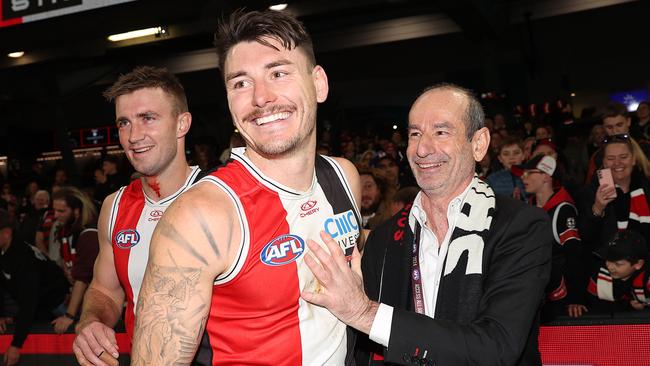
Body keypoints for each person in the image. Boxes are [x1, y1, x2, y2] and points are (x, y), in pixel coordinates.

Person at [131, 9, 361, 365]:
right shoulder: (202, 216)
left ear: (318, 84)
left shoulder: (344, 177)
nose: (260, 98)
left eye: (278, 73)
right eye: (240, 82)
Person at [302, 83, 553, 366]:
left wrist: (365, 313)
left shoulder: (520, 227)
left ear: (479, 143)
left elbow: (497, 347)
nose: (422, 148)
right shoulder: (385, 238)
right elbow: (365, 352)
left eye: (441, 132)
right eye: (415, 134)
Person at [72, 66, 202, 366]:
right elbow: (105, 290)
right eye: (124, 123)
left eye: (148, 118)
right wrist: (92, 321)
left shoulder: (223, 197)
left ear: (182, 123)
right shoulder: (114, 207)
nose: (134, 136)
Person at [0, 209, 69, 366]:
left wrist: (16, 345)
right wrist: (1, 314)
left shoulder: (23, 257)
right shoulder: (5, 249)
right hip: (37, 301)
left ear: (6, 233)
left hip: (56, 302)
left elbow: (29, 302)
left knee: (59, 350)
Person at [518, 155, 583, 320]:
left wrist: (575, 298)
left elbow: (574, 255)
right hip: (535, 294)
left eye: (529, 173)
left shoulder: (563, 210)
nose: (522, 177)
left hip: (559, 298)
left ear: (546, 176)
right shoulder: (528, 207)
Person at [50, 186, 99, 334]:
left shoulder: (90, 235)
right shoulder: (66, 230)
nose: (56, 215)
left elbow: (82, 279)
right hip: (80, 297)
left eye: (61, 211)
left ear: (77, 210)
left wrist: (69, 315)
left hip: (97, 304)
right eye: (54, 210)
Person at [585, 230, 649, 313]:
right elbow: (592, 304)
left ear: (638, 264)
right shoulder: (601, 273)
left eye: (618, 264)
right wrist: (628, 306)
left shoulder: (647, 277)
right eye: (608, 259)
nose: (610, 267)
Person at [486, 136, 526, 201]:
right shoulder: (492, 180)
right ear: (500, 158)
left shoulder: (531, 177)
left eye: (516, 153)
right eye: (506, 154)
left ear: (523, 156)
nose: (511, 157)